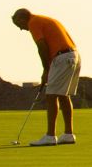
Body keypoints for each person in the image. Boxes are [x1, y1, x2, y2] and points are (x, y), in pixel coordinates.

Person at [12, 8, 79, 146]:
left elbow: (41, 46)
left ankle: (50, 136)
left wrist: (46, 69)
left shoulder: (33, 22)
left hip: (62, 57)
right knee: (63, 95)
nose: (21, 29)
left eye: (18, 25)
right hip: (73, 56)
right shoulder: (44, 19)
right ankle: (68, 134)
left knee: (51, 95)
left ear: (22, 19)